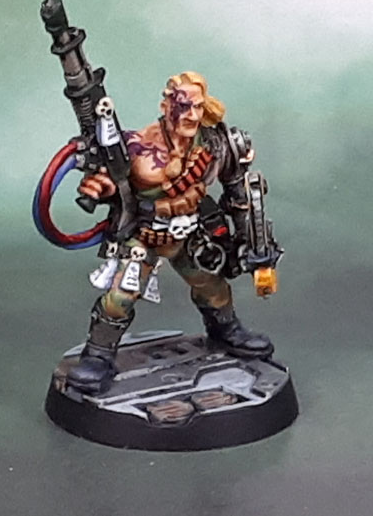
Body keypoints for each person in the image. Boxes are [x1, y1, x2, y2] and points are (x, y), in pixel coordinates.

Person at [67, 71, 274, 394]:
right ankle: (98, 354)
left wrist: (248, 241)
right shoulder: (136, 146)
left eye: (198, 106)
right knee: (120, 298)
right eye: (183, 106)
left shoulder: (216, 144)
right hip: (146, 235)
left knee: (213, 286)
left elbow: (238, 193)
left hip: (190, 232)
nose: (192, 115)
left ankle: (225, 330)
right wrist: (102, 187)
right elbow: (114, 185)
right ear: (166, 106)